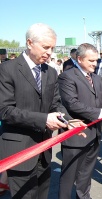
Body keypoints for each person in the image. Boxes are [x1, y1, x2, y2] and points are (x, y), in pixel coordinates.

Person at [0, 23, 86, 199]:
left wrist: (68, 120)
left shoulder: (51, 72)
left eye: (52, 48)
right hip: (20, 149)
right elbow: (5, 110)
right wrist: (43, 119)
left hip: (44, 149)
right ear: (30, 43)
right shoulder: (7, 70)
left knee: (42, 194)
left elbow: (56, 104)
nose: (50, 53)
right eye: (46, 47)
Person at [58, 43, 102, 198]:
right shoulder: (67, 77)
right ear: (79, 59)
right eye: (91, 61)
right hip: (76, 135)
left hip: (94, 133)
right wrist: (99, 113)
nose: (95, 64)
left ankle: (83, 196)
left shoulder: (96, 78)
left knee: (86, 173)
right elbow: (72, 103)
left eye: (96, 60)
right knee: (69, 175)